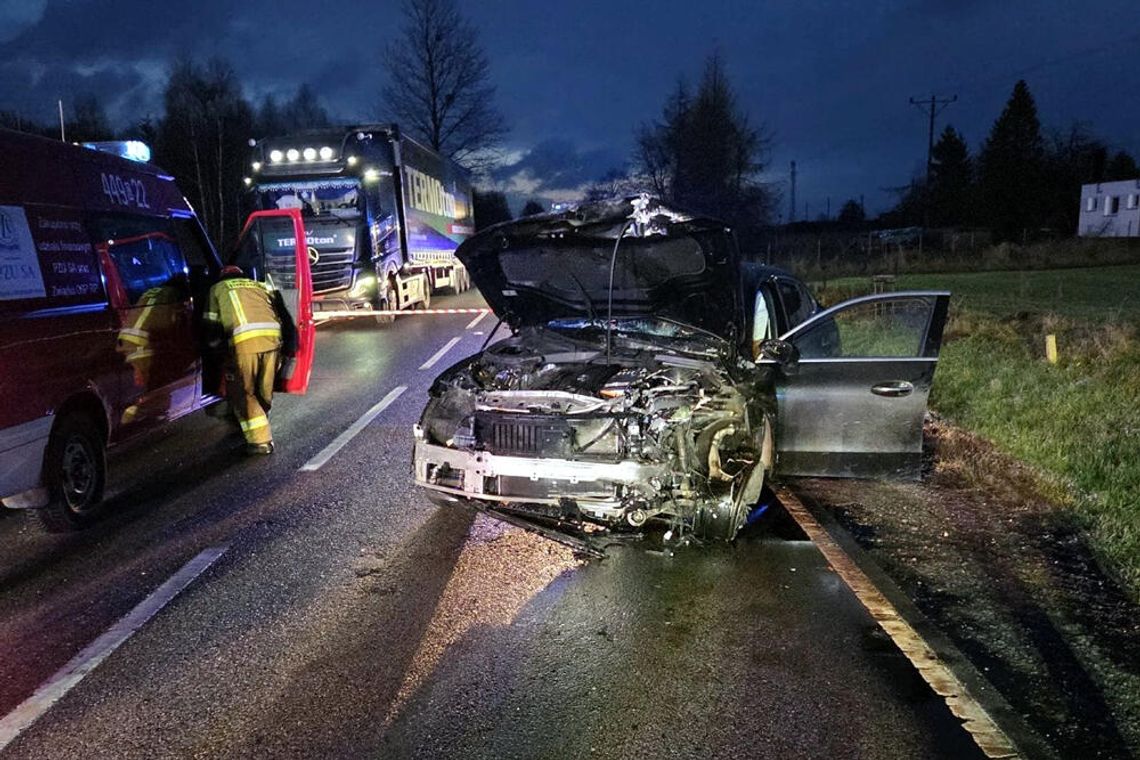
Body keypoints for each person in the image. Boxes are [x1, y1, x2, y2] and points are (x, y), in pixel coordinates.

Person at [204, 265, 292, 455]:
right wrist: (289, 345)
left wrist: (215, 351)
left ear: (222, 277)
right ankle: (256, 424)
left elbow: (211, 324)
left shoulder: (218, 288)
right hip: (272, 341)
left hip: (243, 343)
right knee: (263, 390)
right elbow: (282, 313)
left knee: (243, 392)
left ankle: (261, 441)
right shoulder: (260, 286)